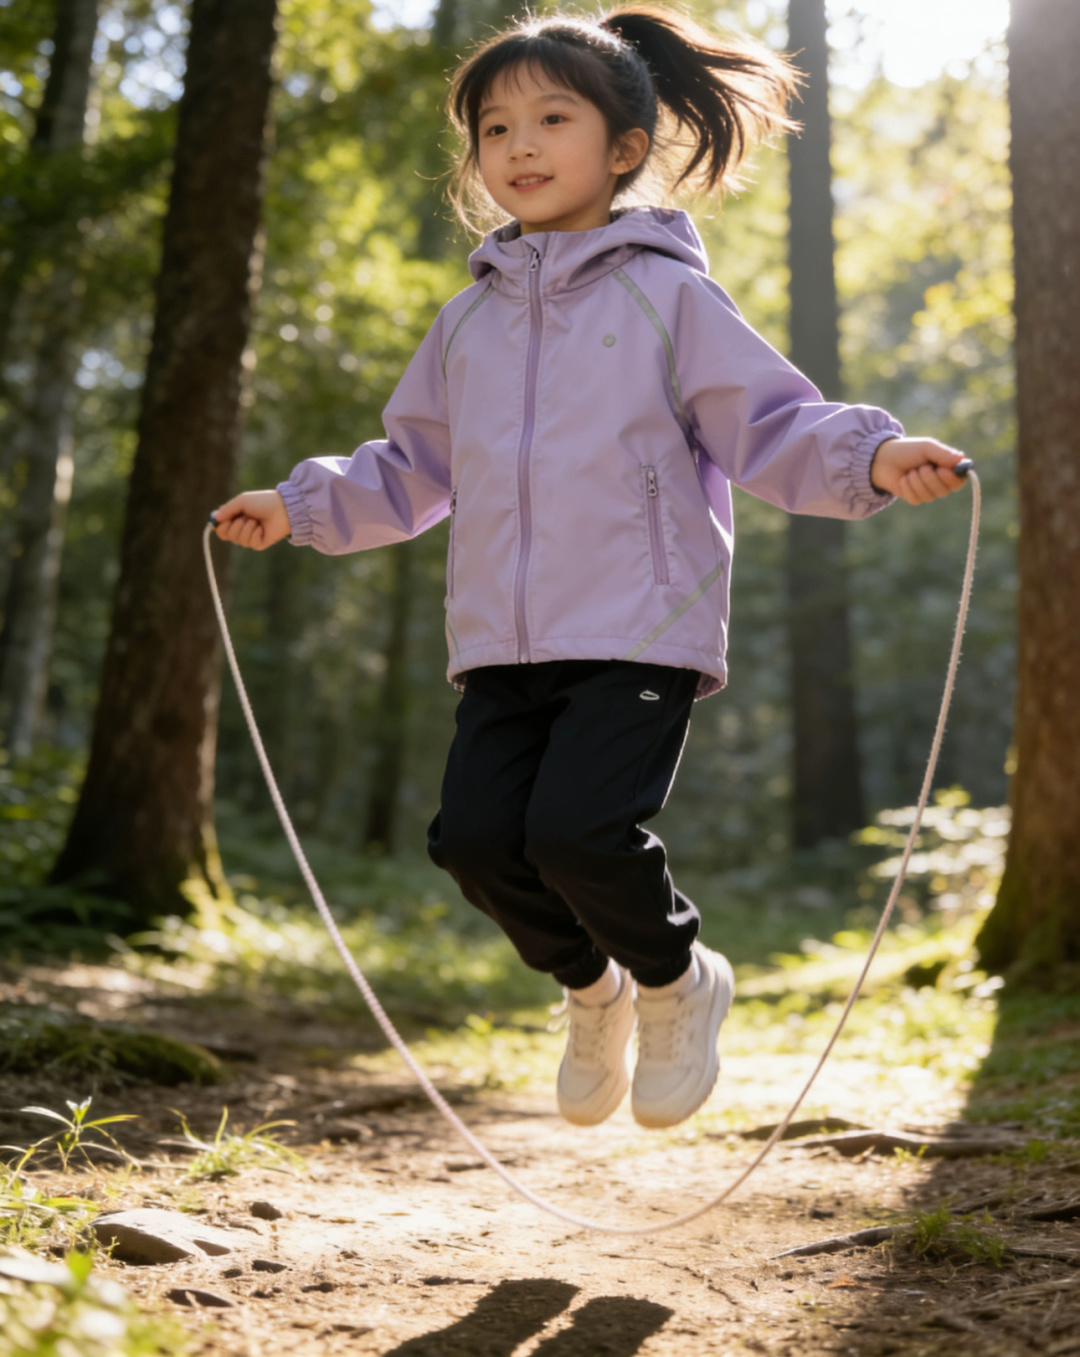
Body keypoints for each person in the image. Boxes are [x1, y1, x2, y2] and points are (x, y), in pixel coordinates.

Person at [212, 6, 969, 1132]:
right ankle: (594, 987)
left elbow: (769, 424)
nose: (518, 145)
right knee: (474, 842)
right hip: (501, 639)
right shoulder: (465, 324)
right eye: (494, 127)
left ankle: (676, 980)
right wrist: (302, 504)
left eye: (551, 120)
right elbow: (413, 465)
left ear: (624, 148)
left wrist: (872, 454)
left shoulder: (669, 297)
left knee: (576, 830)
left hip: (637, 627)